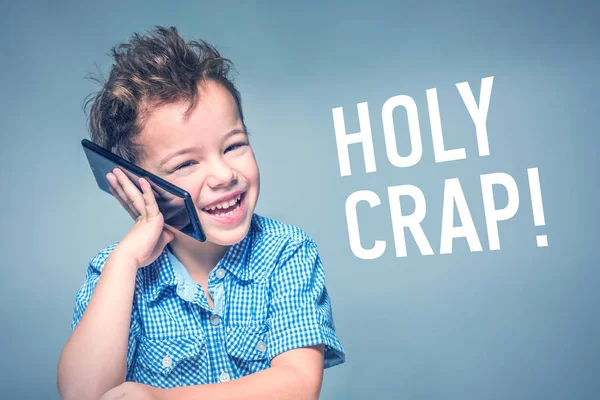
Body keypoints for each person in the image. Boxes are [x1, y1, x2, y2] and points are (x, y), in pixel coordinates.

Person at [57, 26, 345, 400]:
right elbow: (83, 394)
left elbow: (299, 384)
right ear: (137, 182)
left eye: (233, 146)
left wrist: (159, 399)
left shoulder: (287, 252)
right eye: (186, 164)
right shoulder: (114, 272)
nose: (225, 175)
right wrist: (126, 260)